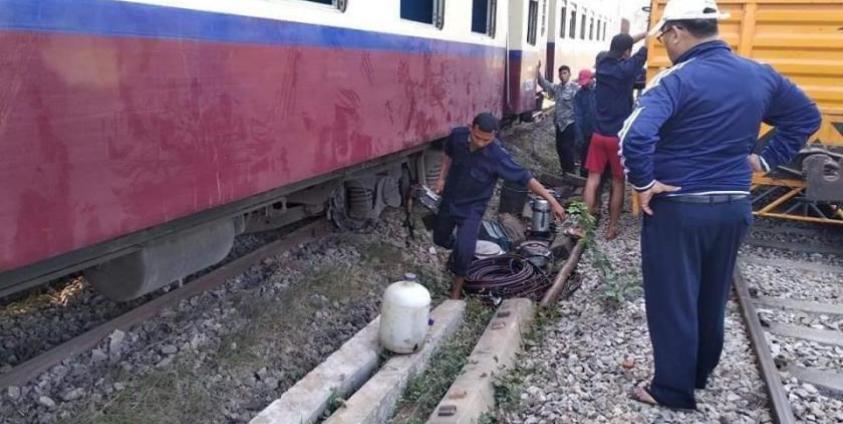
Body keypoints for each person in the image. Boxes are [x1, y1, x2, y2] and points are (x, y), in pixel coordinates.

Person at [620, 0, 821, 410]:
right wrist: (764, 159)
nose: (665, 45)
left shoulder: (675, 79)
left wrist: (644, 183)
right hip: (733, 206)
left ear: (677, 31)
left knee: (673, 298)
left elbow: (635, 136)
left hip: (679, 207)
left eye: (664, 37)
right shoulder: (760, 74)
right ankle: (699, 373)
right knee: (711, 295)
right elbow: (806, 117)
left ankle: (672, 391)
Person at [433, 113, 566, 299]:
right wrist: (441, 178)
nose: (480, 143)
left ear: (494, 136)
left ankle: (455, 292)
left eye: (486, 140)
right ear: (471, 128)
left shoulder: (497, 156)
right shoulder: (457, 136)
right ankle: (460, 248)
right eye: (477, 137)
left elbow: (526, 178)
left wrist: (553, 202)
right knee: (439, 238)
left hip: (472, 208)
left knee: (465, 248)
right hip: (450, 199)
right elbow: (448, 154)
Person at [584, 32, 648, 240]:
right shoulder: (628, 69)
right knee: (618, 182)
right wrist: (649, 34)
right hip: (618, 138)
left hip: (598, 135)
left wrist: (637, 37)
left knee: (593, 179)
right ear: (627, 52)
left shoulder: (601, 61)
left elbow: (621, 47)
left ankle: (583, 225)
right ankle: (612, 227)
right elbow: (644, 50)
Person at [536, 63, 579, 175]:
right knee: (560, 148)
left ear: (569, 74)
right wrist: (537, 72)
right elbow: (545, 84)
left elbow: (580, 106)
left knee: (568, 149)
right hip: (559, 124)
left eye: (565, 73)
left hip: (570, 124)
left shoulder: (575, 89)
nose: (562, 76)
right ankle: (564, 171)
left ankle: (570, 172)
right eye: (561, 74)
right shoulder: (558, 88)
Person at [573, 69, 596, 177]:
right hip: (586, 132)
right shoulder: (579, 95)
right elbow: (577, 116)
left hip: (599, 131)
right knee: (585, 156)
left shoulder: (599, 91)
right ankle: (584, 176)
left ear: (592, 79)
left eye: (587, 82)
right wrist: (579, 134)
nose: (585, 85)